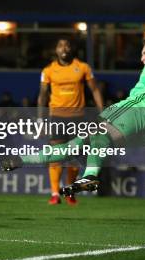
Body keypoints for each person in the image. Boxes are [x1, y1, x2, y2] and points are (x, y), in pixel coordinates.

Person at [2, 19, 145, 196]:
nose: (142, 58)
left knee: (90, 136)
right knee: (79, 144)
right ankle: (23, 161)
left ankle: (89, 174)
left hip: (140, 107)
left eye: (144, 52)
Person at [38, 37, 103, 205]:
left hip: (77, 117)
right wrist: (40, 118)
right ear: (56, 50)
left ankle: (69, 192)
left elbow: (95, 90)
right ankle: (54, 193)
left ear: (71, 48)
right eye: (60, 45)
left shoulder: (83, 67)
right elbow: (43, 96)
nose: (64, 48)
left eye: (67, 45)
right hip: (57, 117)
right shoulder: (48, 70)